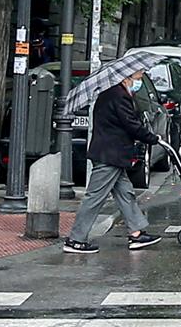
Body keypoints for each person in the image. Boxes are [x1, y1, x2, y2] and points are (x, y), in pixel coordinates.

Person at [63, 71, 164, 255]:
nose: (139, 82)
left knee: (126, 194)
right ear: (126, 78)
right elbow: (131, 124)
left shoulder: (112, 94)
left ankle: (136, 233)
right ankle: (76, 240)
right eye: (138, 78)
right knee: (94, 197)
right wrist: (152, 138)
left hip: (113, 155)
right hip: (109, 155)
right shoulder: (118, 96)